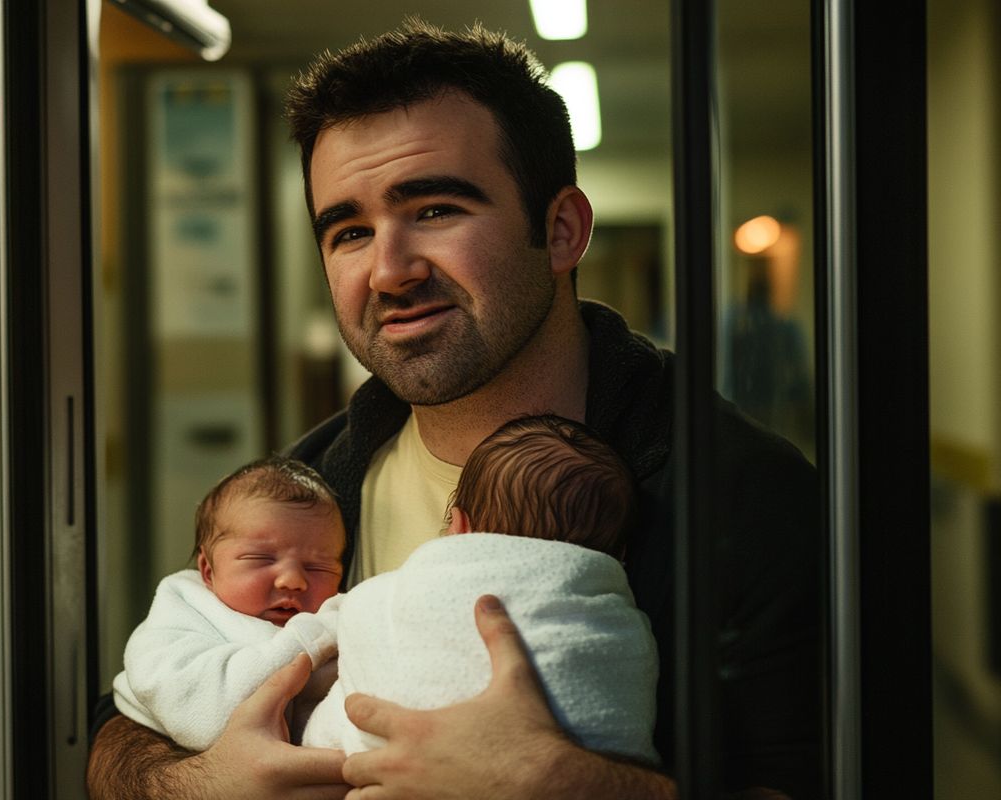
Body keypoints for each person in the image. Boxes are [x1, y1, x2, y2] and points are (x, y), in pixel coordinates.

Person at [88, 18, 820, 800]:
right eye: (349, 231)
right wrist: (196, 784)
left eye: (435, 209)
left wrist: (577, 787)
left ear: (562, 229)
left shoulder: (737, 495)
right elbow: (126, 713)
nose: (388, 270)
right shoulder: (309, 490)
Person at [302, 414, 659, 766]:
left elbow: (360, 619)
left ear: (459, 525)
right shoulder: (623, 622)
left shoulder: (398, 594)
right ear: (619, 553)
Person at [112, 456, 346, 750]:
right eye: (261, 559)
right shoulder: (180, 619)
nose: (292, 580)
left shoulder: (341, 616)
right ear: (208, 571)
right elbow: (213, 721)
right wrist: (311, 637)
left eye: (319, 567)